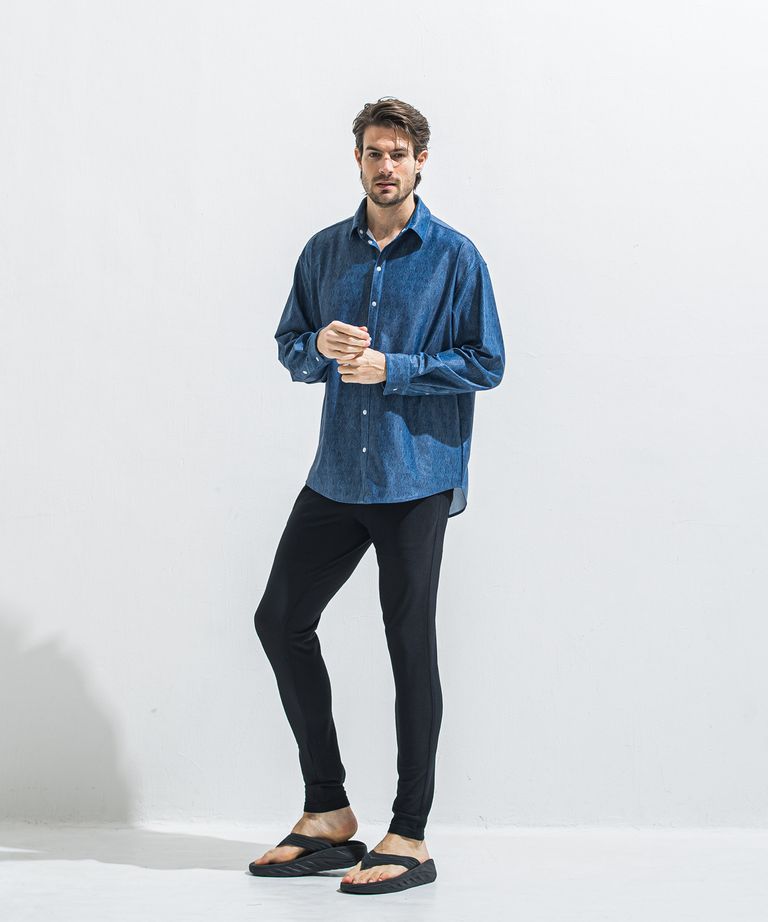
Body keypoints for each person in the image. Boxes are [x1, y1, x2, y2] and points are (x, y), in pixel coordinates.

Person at [249, 97, 505, 895]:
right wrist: (319, 348)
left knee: (407, 643)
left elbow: (486, 361)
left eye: (398, 153)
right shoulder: (325, 251)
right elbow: (292, 346)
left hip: (415, 476)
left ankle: (411, 834)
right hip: (337, 474)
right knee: (280, 620)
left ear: (421, 161)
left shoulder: (455, 256)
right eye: (373, 153)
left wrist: (397, 367)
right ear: (357, 160)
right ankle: (327, 812)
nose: (385, 166)